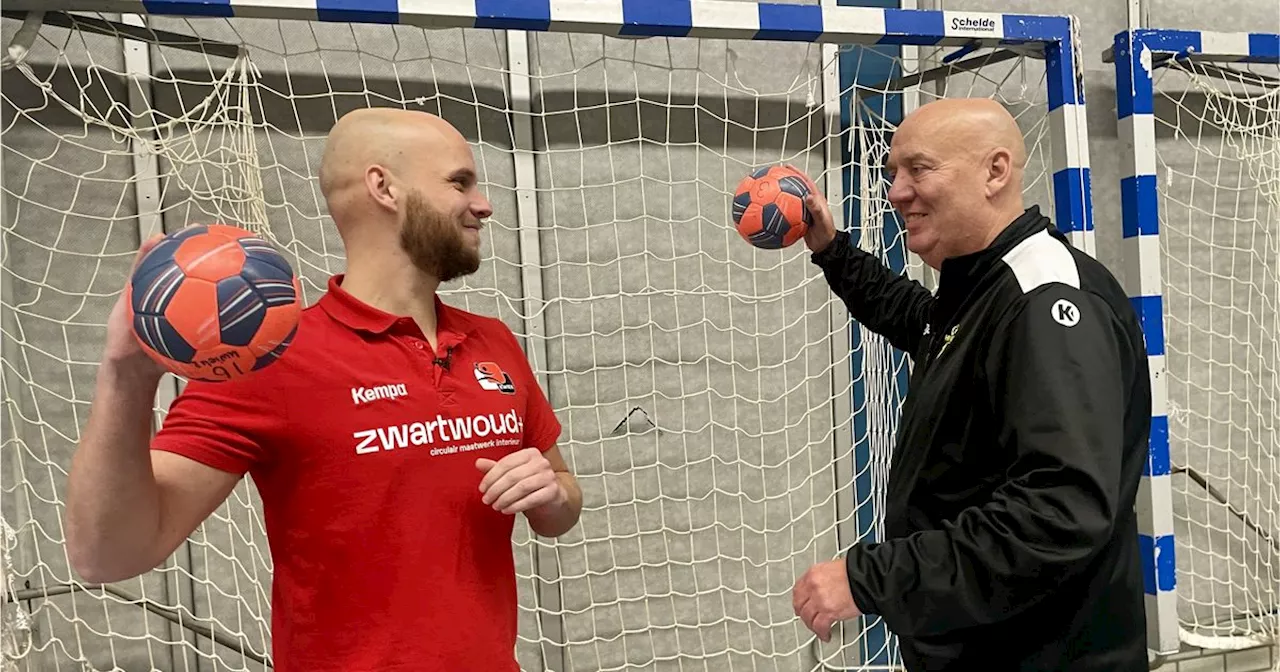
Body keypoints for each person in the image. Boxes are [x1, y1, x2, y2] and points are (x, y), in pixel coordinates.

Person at [64, 108, 583, 672]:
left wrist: (553, 496)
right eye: (460, 182)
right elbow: (104, 557)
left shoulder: (494, 341)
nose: (482, 203)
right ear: (383, 187)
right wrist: (126, 376)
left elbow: (561, 503)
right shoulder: (271, 358)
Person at [789, 98, 1151, 671]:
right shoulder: (986, 289)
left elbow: (1059, 511)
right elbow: (921, 321)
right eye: (891, 174)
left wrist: (870, 579)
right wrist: (834, 252)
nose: (896, 192)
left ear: (996, 171)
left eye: (919, 169)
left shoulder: (1044, 301)